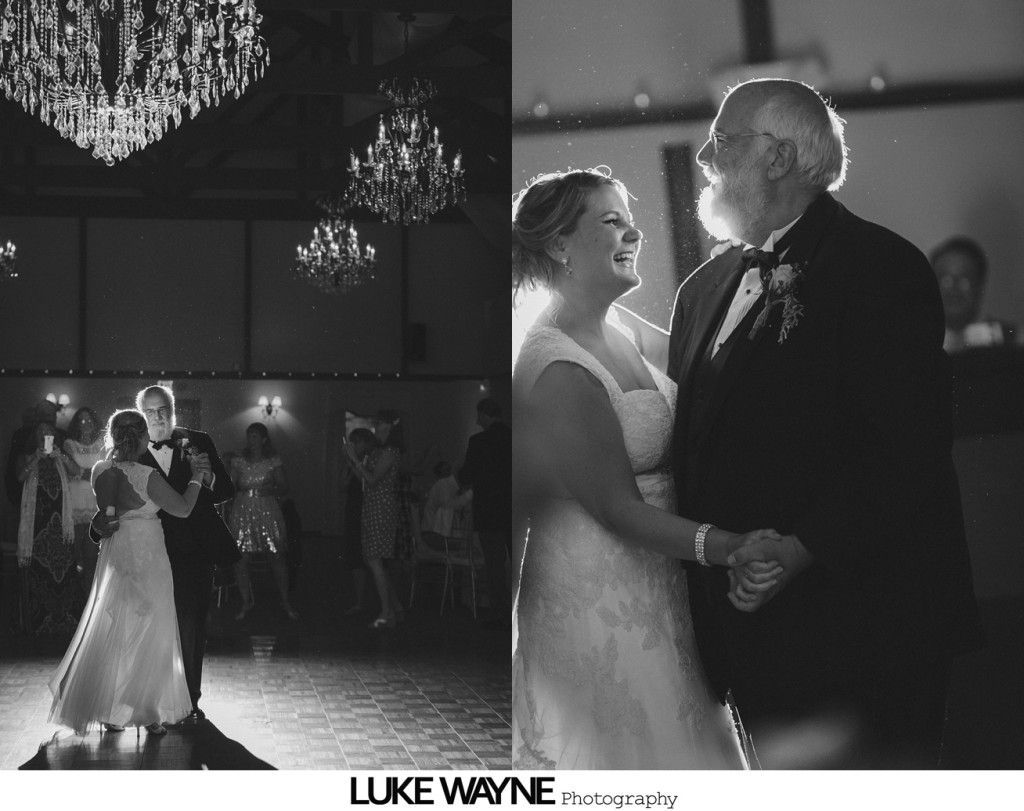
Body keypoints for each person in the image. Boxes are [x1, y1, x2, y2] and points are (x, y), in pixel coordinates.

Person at [657, 79, 981, 767]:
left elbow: (909, 449)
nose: (708, 157)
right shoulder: (702, 289)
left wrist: (802, 547)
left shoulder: (880, 267)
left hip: (866, 626)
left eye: (726, 140)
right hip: (748, 628)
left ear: (777, 159)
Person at [511, 166, 783, 769]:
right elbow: (615, 508)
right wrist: (730, 545)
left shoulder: (620, 329)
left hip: (659, 589)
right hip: (598, 602)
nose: (633, 234)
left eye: (631, 221)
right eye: (612, 222)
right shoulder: (557, 364)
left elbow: (715, 366)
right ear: (559, 245)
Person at [49, 409, 208, 735]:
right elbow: (184, 508)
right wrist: (196, 479)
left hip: (117, 553)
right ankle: (148, 713)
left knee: (115, 627)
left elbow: (105, 516)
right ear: (142, 438)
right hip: (148, 555)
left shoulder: (99, 470)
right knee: (150, 629)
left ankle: (109, 711)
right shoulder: (146, 475)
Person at [90, 385, 237, 724]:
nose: (157, 416)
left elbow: (226, 490)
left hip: (194, 552)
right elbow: (111, 501)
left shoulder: (198, 441)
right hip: (147, 553)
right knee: (140, 630)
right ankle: (145, 703)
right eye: (150, 411)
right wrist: (98, 526)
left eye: (162, 409)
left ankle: (188, 701)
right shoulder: (131, 447)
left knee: (190, 626)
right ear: (140, 414)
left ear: (174, 409)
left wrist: (208, 476)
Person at [229, 422, 297, 621]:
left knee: (276, 556)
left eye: (255, 436)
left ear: (264, 439)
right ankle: (245, 601)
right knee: (240, 558)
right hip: (243, 510)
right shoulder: (238, 461)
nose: (251, 440)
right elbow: (229, 486)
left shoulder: (272, 461)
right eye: (249, 436)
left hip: (267, 510)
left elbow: (284, 487)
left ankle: (285, 601)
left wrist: (272, 490)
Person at [15, 420, 79, 634]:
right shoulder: (27, 456)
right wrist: (36, 459)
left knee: (62, 569)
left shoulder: (60, 456)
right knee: (40, 570)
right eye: (41, 431)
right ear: (35, 436)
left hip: (61, 523)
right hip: (37, 524)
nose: (45, 434)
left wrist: (59, 455)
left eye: (49, 431)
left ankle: (65, 621)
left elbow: (76, 471)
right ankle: (40, 622)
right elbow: (20, 476)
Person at [343, 416, 404, 629]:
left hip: (382, 506)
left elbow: (373, 480)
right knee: (374, 559)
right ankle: (394, 609)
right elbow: (363, 480)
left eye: (384, 430)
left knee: (375, 559)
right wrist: (353, 462)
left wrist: (356, 460)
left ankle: (387, 613)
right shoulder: (377, 452)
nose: (379, 433)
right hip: (371, 505)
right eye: (378, 428)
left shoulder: (390, 452)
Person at [457, 399, 512, 629]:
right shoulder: (514, 436)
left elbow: (467, 474)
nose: (477, 419)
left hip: (489, 510)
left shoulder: (479, 441)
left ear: (485, 415)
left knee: (494, 563)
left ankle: (500, 611)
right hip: (514, 506)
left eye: (478, 415)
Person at [930, 236, 1019, 352]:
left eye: (964, 279)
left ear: (979, 285)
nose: (953, 289)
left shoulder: (1009, 342)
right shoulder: (915, 340)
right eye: (945, 279)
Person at [63, 406, 105, 587]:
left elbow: (102, 470)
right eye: (81, 420)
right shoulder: (69, 444)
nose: (86, 423)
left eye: (89, 419)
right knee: (74, 558)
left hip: (96, 503)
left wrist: (84, 472)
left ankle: (90, 603)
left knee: (93, 558)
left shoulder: (103, 443)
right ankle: (75, 606)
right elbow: (70, 471)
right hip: (75, 503)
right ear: (76, 424)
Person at [339, 428, 373, 615]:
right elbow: (342, 485)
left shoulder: (371, 460)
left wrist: (354, 463)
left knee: (370, 556)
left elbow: (367, 482)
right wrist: (349, 465)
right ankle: (360, 601)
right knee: (355, 555)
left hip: (368, 510)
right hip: (353, 509)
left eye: (356, 442)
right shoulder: (352, 462)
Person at [422, 460, 472, 549]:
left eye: (449, 470)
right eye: (445, 470)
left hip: (447, 535)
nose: (448, 473)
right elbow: (448, 505)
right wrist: (469, 494)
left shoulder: (454, 488)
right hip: (435, 533)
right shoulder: (442, 485)